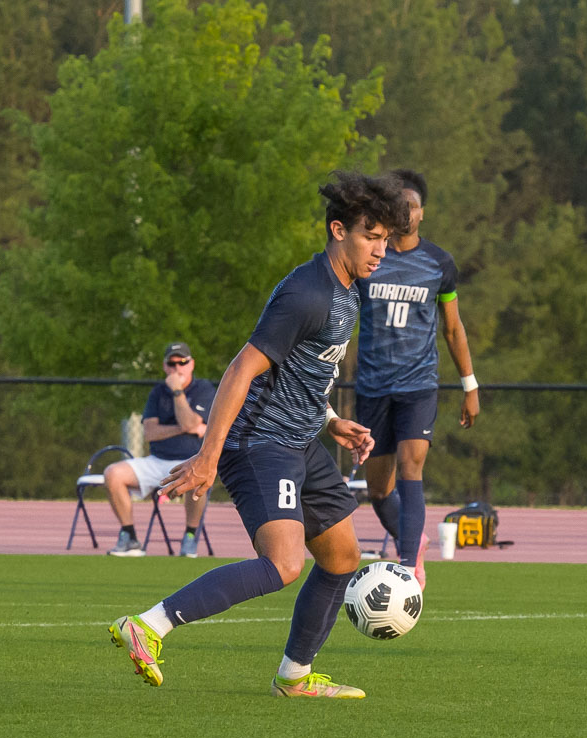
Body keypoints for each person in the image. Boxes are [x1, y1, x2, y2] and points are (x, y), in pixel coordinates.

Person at [109, 171, 410, 698]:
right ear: (338, 230)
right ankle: (148, 625)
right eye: (371, 236)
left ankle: (294, 678)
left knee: (341, 557)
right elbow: (240, 371)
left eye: (386, 238)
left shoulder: (348, 293)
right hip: (260, 444)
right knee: (284, 564)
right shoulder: (306, 293)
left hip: (300, 442)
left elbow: (298, 375)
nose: (381, 249)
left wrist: (331, 422)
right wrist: (208, 455)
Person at [354, 168, 479, 588]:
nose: (406, 213)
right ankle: (415, 540)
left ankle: (408, 566)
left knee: (412, 467)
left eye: (412, 206)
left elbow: (453, 328)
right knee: (377, 491)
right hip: (372, 388)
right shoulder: (369, 258)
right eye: (399, 206)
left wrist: (470, 385)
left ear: (423, 213)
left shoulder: (439, 264)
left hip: (418, 385)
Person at [106, 342, 215, 558]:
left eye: (182, 362)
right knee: (112, 473)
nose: (177, 368)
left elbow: (191, 422)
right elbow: (150, 432)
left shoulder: (204, 389)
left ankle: (190, 537)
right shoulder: (157, 393)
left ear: (191, 364)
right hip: (157, 461)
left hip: (190, 460)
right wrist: (186, 428)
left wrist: (177, 392)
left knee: (198, 475)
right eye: (172, 363)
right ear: (165, 367)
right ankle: (129, 537)